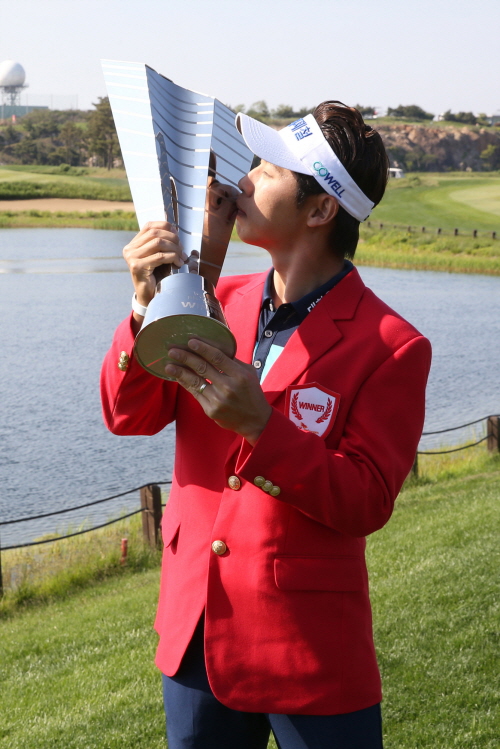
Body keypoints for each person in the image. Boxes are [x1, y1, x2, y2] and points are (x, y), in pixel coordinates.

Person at [100, 101, 431, 749]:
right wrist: (148, 305)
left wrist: (263, 427)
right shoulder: (212, 297)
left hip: (309, 645)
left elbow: (366, 501)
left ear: (320, 210)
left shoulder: (392, 344)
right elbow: (128, 414)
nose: (243, 180)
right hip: (196, 627)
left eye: (269, 170)